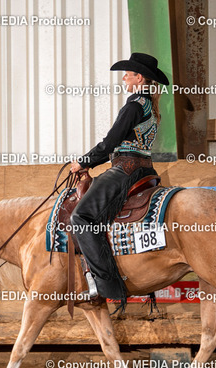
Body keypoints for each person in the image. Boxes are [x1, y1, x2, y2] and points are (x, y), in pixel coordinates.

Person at [70, 52, 169, 302]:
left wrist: (84, 161)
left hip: (126, 169)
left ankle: (105, 286)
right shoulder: (149, 105)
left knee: (81, 217)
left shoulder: (134, 105)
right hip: (145, 169)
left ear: (139, 78)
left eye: (127, 74)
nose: (124, 78)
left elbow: (111, 142)